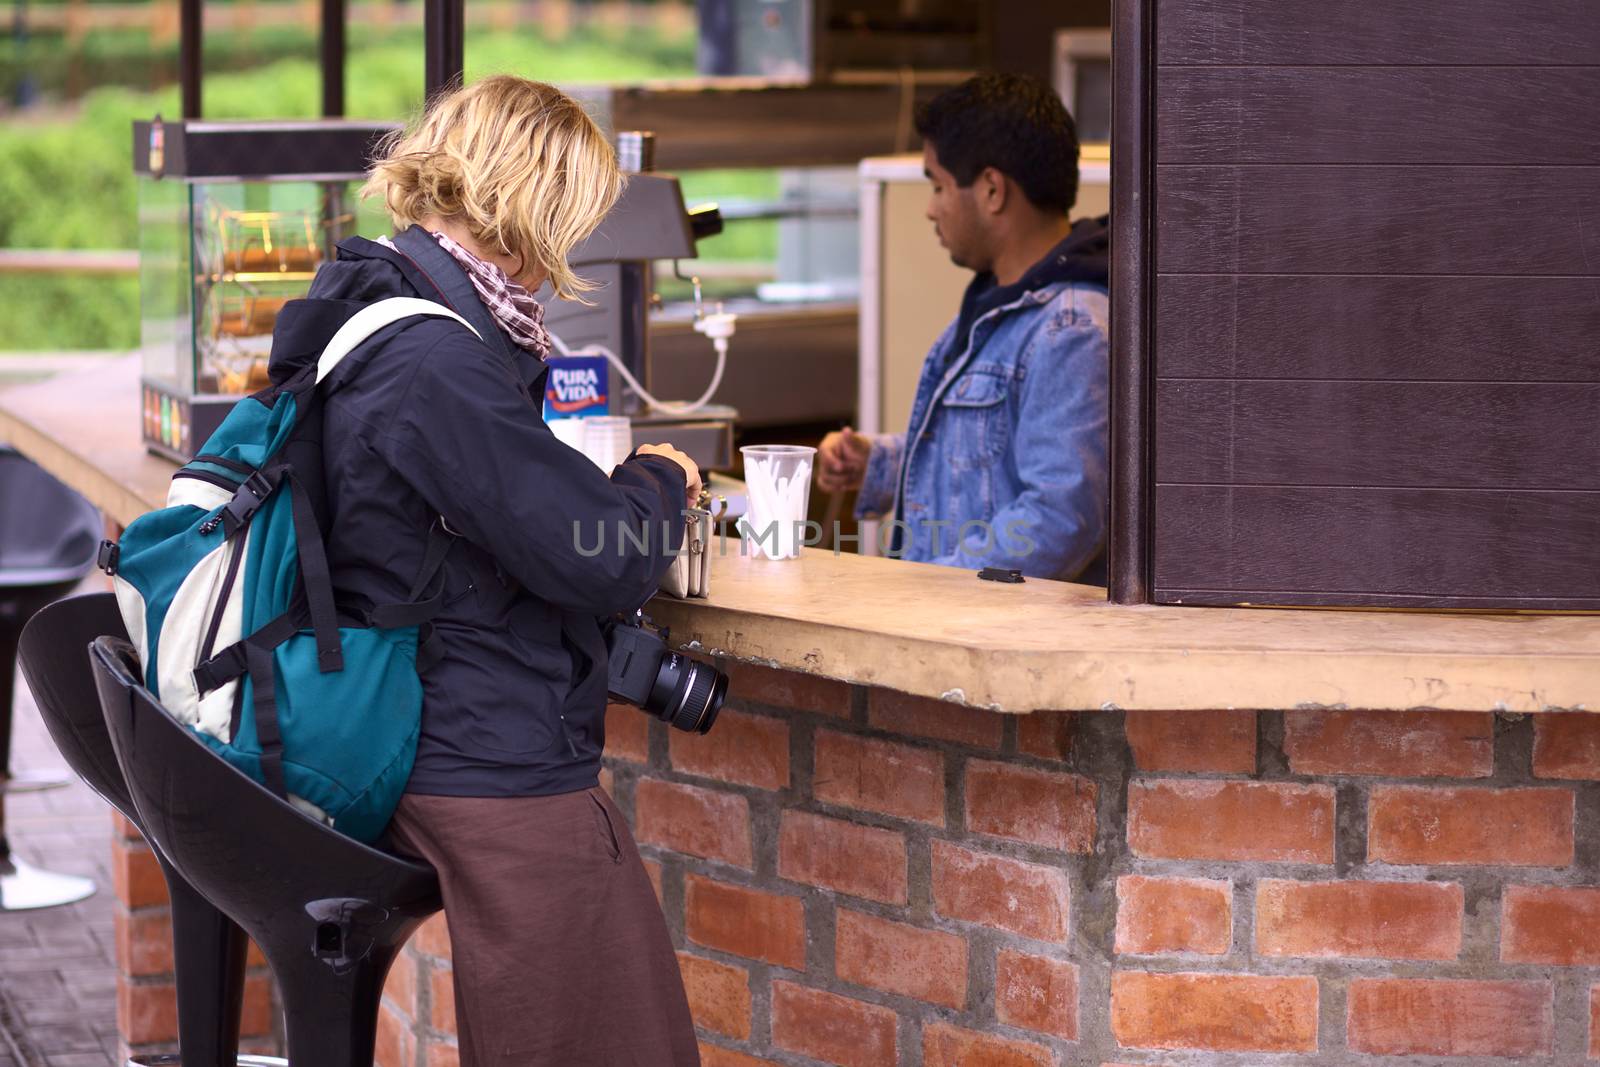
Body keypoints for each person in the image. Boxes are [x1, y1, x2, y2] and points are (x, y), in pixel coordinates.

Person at [275, 76, 701, 1066]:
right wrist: (659, 479)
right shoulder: (436, 357)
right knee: (606, 1041)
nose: (570, 255)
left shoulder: (379, 299)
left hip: (416, 716)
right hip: (479, 748)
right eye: (573, 219)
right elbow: (600, 555)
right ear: (534, 208)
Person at [818, 73, 1110, 583]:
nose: (931, 208)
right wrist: (879, 463)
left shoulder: (1071, 328)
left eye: (938, 185)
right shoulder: (1000, 304)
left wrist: (925, 592)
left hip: (998, 650)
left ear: (992, 190)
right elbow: (986, 456)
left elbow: (1061, 520)